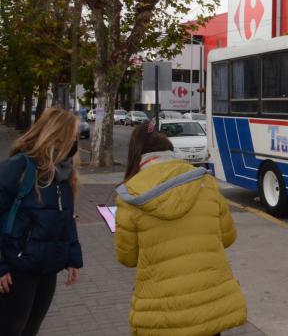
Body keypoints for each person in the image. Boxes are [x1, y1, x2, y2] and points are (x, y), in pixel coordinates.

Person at [115, 124, 247, 336]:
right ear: (169, 150)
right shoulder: (205, 181)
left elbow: (127, 258)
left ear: (137, 155)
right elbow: (228, 236)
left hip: (162, 312)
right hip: (209, 304)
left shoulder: (130, 195)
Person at [0, 108, 83, 336]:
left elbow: (66, 218)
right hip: (17, 269)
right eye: (72, 135)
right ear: (55, 135)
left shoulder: (64, 174)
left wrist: (72, 258)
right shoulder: (18, 167)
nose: (75, 141)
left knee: (30, 330)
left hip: (47, 268)